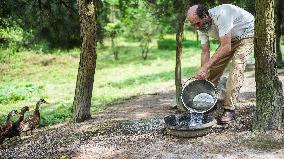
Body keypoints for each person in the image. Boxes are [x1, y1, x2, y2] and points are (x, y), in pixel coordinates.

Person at [186, 4, 254, 123]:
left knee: (236, 68)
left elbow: (226, 47)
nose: (196, 27)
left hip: (246, 34)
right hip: (227, 40)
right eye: (193, 25)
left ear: (206, 16)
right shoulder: (201, 27)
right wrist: (204, 70)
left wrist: (206, 67)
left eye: (197, 23)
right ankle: (207, 103)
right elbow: (205, 51)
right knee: (211, 70)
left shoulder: (222, 14)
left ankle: (229, 109)